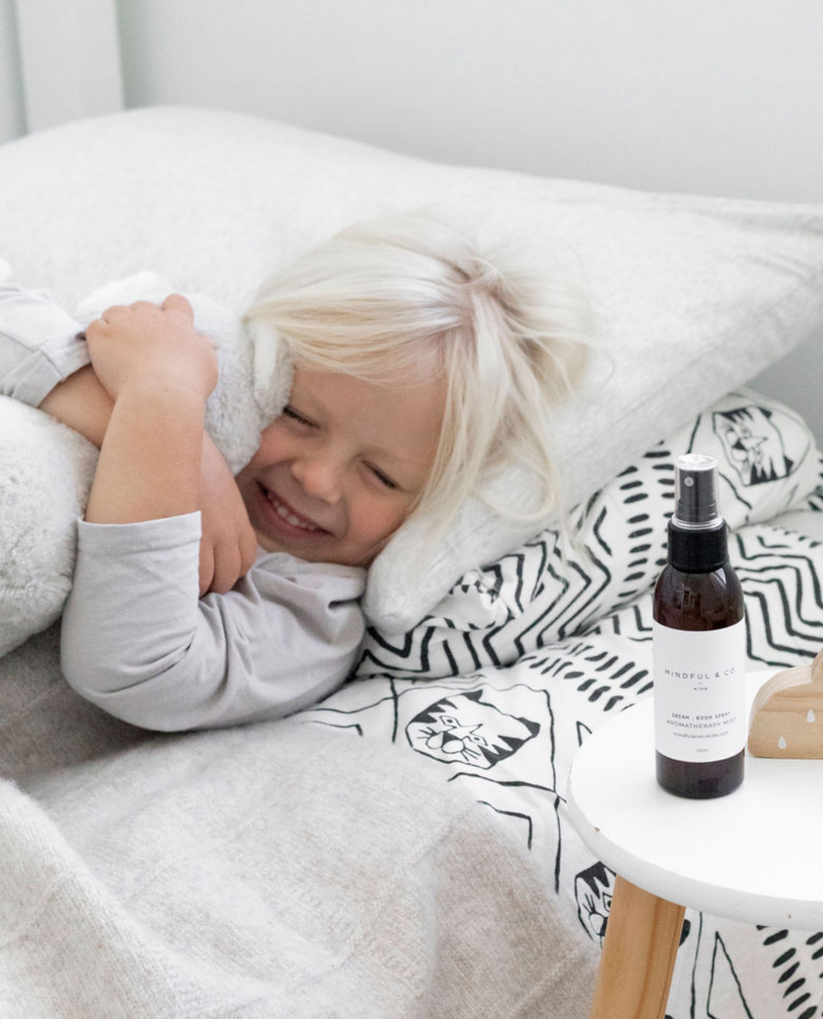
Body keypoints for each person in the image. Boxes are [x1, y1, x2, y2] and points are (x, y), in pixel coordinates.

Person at [0, 212, 593, 732]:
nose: (317, 479)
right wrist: (182, 438)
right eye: (298, 415)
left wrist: (157, 403)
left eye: (383, 477)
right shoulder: (196, 388)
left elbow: (134, 666)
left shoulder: (311, 616)